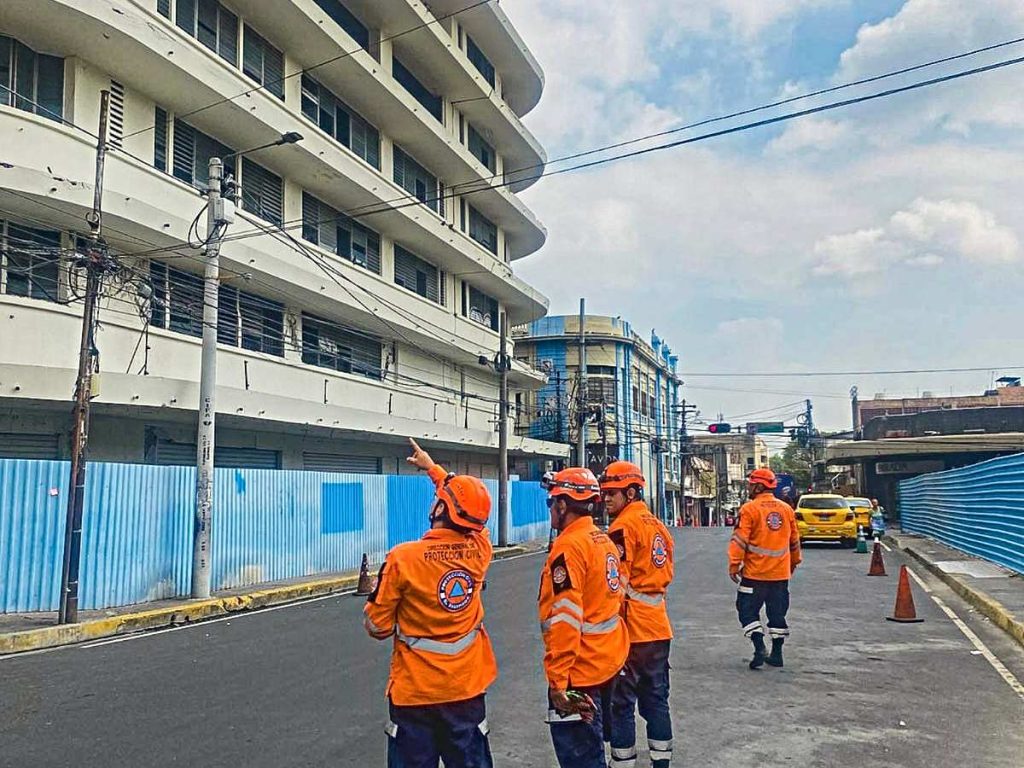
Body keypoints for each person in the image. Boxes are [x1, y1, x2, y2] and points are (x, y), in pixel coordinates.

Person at [363, 438, 497, 768]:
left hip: (414, 696)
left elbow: (377, 627)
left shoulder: (403, 559)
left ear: (439, 509)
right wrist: (435, 471)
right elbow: (467, 511)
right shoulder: (479, 553)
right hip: (466, 691)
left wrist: (431, 469)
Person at [538, 467, 630, 768]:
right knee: (593, 752)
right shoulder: (601, 541)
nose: (551, 509)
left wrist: (558, 683)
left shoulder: (569, 548)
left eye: (552, 502)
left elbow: (565, 620)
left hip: (579, 674)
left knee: (582, 759)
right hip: (606, 664)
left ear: (563, 505)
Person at [601, 461, 675, 768]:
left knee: (621, 705)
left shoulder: (622, 528)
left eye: (612, 494)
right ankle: (661, 762)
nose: (605, 500)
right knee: (656, 700)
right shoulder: (658, 525)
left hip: (631, 632)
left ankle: (623, 764)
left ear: (630, 492)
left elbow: (615, 584)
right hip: (658, 628)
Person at [727, 467, 802, 670]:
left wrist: (734, 564)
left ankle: (759, 646)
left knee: (746, 610)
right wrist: (793, 563)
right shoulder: (786, 509)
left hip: (754, 575)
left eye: (752, 484)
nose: (750, 487)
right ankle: (776, 654)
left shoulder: (749, 509)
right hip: (780, 576)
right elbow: (794, 541)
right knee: (777, 614)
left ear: (759, 485)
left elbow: (740, 540)